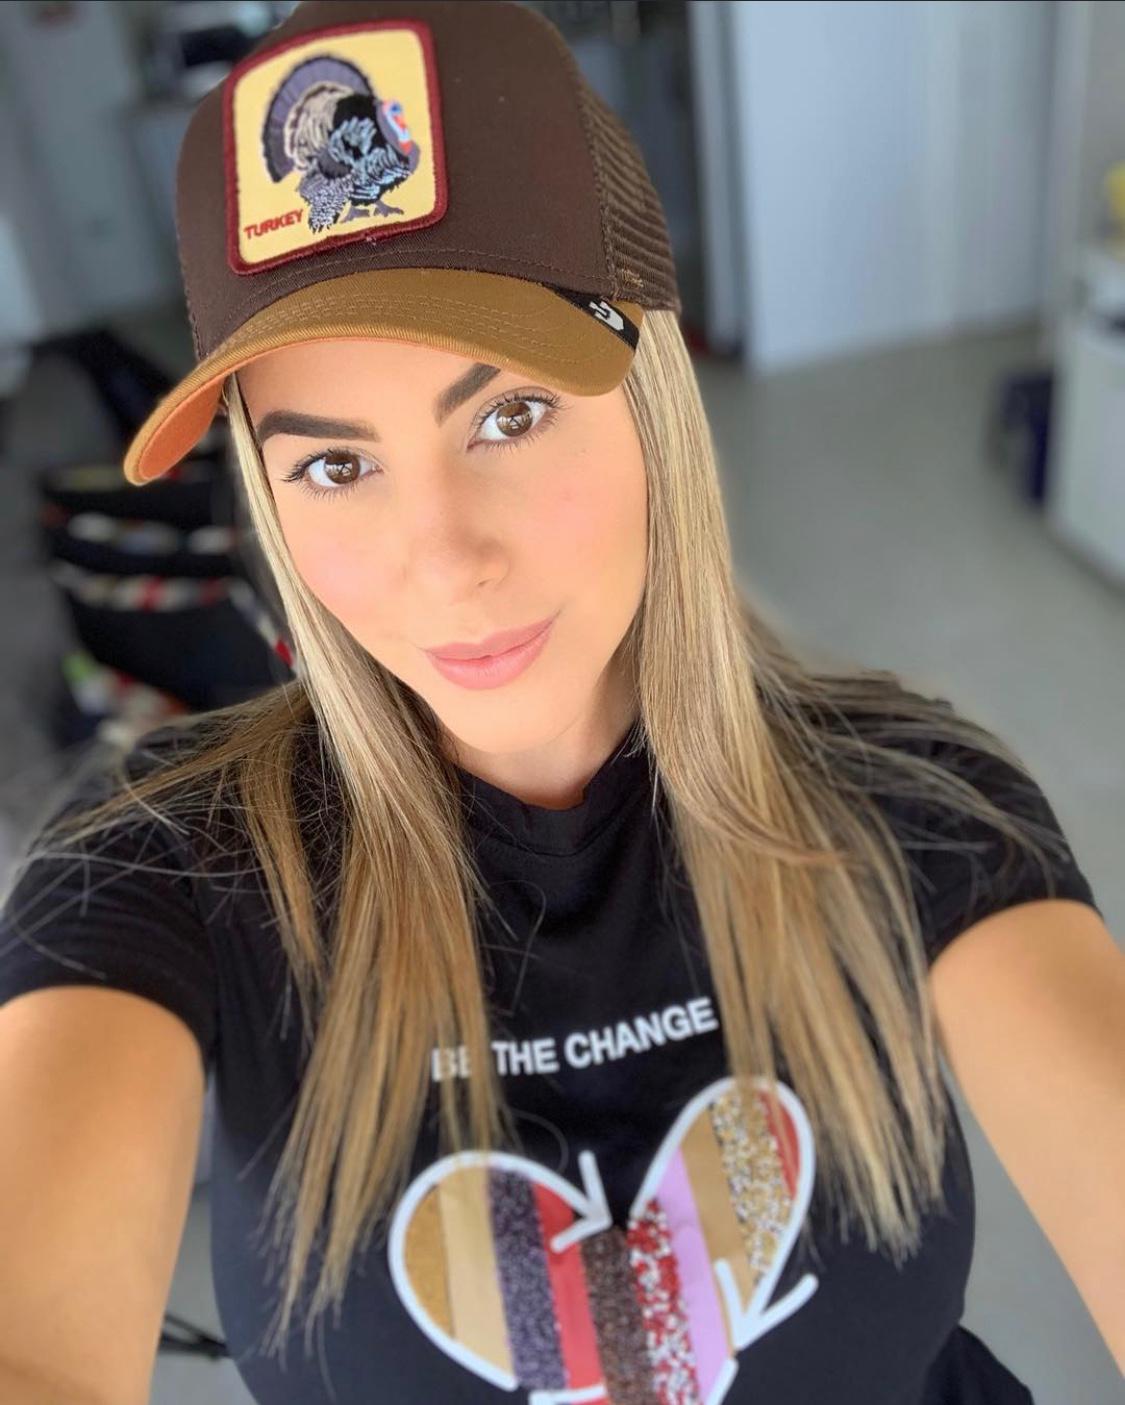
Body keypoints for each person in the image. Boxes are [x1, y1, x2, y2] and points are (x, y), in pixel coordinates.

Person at [0, 3, 1120, 1404]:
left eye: (509, 417)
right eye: (336, 466)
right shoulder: (166, 870)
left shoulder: (913, 805)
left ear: (655, 395)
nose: (447, 562)